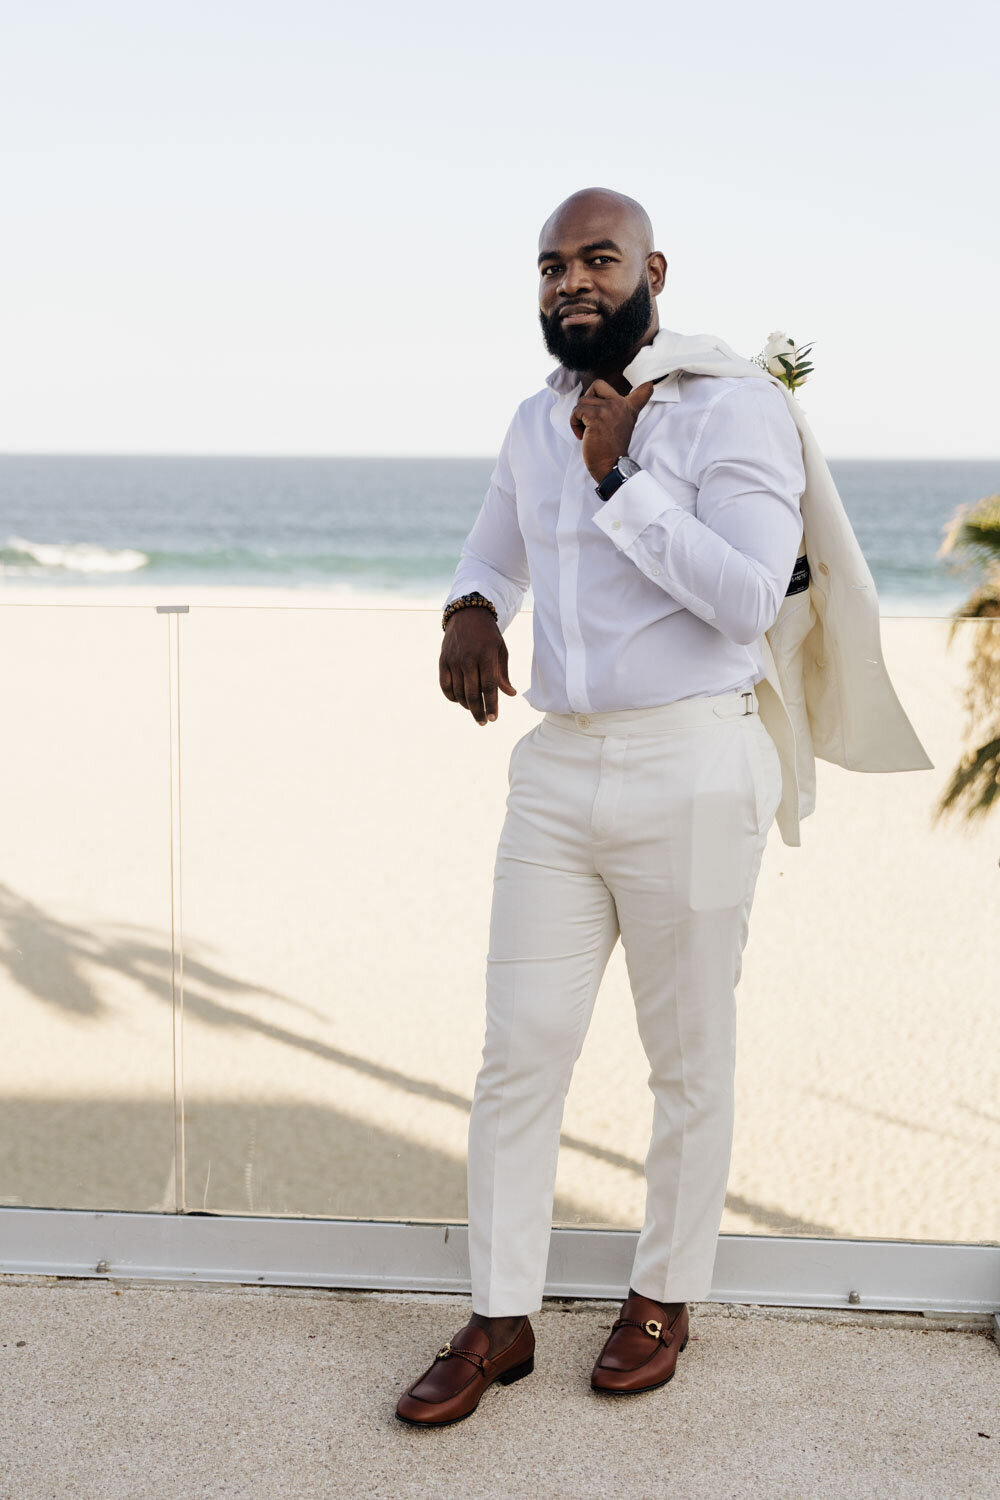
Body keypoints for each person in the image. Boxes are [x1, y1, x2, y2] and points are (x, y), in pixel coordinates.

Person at [396, 187, 805, 1427]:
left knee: (686, 1060)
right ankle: (500, 1314)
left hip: (692, 763)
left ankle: (662, 1296)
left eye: (596, 259)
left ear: (652, 269)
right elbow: (495, 547)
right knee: (517, 1054)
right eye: (550, 265)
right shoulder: (531, 421)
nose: (569, 280)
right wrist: (471, 608)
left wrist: (620, 475)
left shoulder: (734, 408)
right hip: (557, 773)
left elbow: (745, 599)